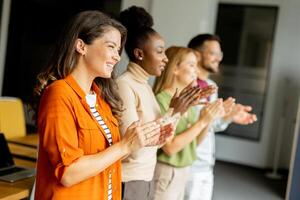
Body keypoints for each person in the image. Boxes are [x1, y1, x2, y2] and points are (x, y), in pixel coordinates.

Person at [33, 10, 163, 200]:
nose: (117, 57)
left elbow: (107, 159)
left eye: (118, 50)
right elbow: (68, 173)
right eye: (111, 47)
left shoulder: (101, 99)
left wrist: (137, 139)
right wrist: (124, 146)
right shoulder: (59, 94)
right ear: (81, 46)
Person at [116, 6, 207, 200]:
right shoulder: (124, 85)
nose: (166, 59)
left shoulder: (145, 86)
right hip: (129, 179)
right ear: (139, 54)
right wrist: (172, 113)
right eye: (159, 52)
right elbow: (132, 146)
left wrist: (177, 113)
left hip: (145, 177)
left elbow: (159, 142)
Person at [184, 34, 257, 200]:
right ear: (196, 54)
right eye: (213, 53)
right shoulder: (185, 83)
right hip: (188, 164)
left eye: (220, 54)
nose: (218, 58)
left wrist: (228, 117)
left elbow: (211, 124)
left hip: (206, 165)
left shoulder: (211, 86)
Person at [152, 46, 225, 200]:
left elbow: (194, 143)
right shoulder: (162, 100)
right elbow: (170, 148)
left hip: (184, 170)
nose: (196, 71)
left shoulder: (187, 102)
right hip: (167, 171)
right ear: (175, 69)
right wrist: (201, 122)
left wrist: (207, 120)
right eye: (191, 65)